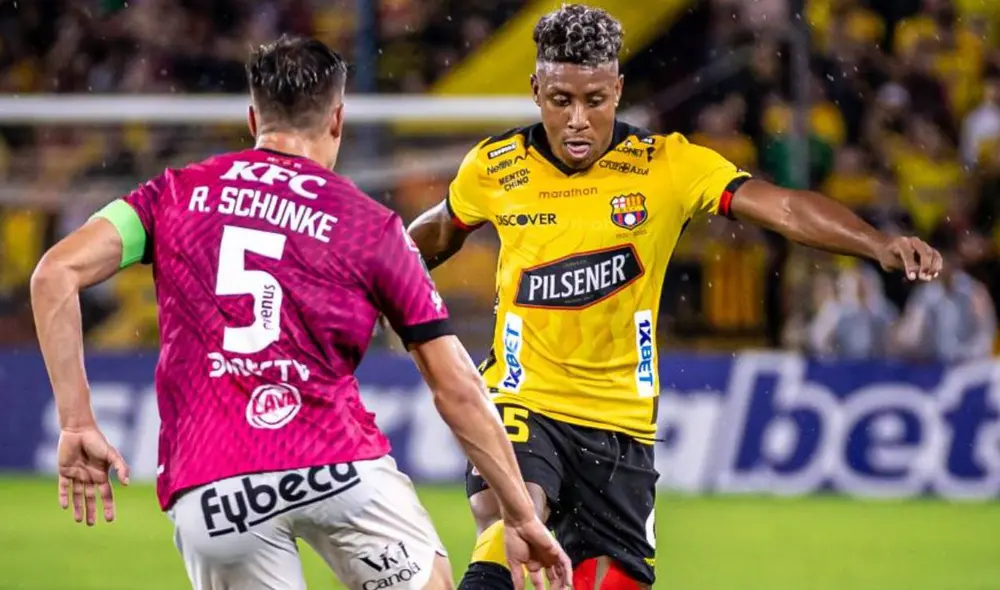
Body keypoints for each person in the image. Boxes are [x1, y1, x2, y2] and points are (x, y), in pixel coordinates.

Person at [405, 5, 943, 590]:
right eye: (561, 100)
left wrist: (877, 243)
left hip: (623, 426)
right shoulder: (494, 167)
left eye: (595, 99)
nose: (579, 120)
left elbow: (782, 206)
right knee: (514, 519)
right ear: (536, 90)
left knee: (611, 581)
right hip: (522, 398)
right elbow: (432, 235)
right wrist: (370, 278)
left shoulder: (668, 166)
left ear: (618, 89)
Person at [29, 36, 571, 590]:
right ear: (337, 119)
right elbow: (455, 386)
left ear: (252, 117)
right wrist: (521, 514)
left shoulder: (174, 195)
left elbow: (53, 275)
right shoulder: (371, 228)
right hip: (337, 467)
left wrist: (76, 422)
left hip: (217, 486)